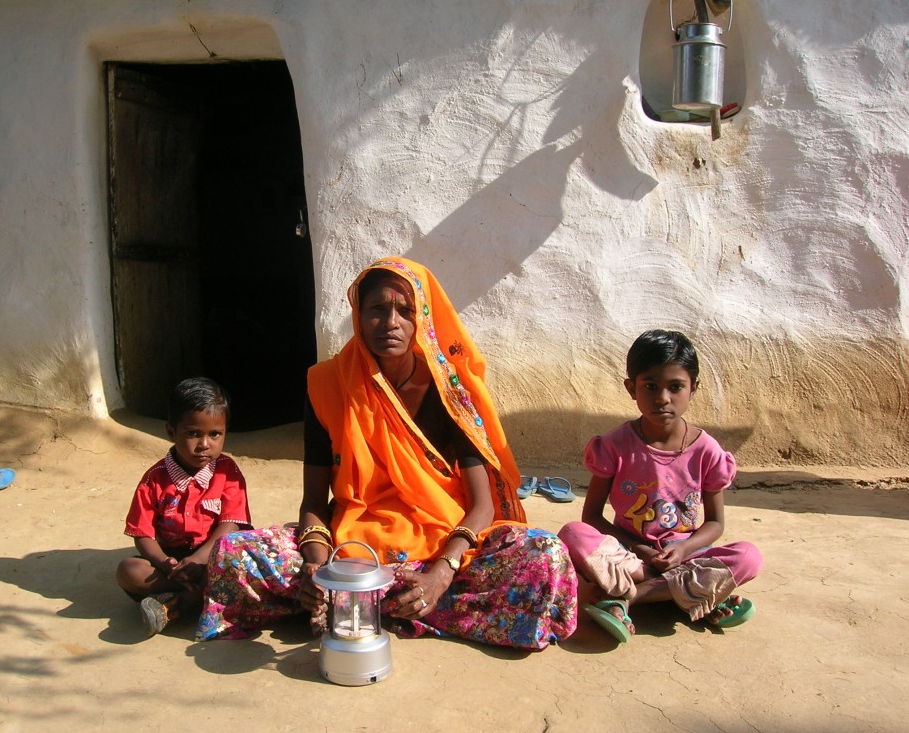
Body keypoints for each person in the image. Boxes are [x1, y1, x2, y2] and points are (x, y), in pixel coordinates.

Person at [197, 257, 577, 651]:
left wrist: (442, 573)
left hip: (443, 549)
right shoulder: (328, 384)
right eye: (377, 309)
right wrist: (318, 569)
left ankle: (376, 605)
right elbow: (314, 500)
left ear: (423, 320)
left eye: (405, 311)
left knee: (545, 555)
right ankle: (379, 602)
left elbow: (482, 507)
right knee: (235, 554)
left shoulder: (453, 393)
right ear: (358, 316)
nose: (391, 322)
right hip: (353, 553)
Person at [558, 329, 762, 644]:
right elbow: (592, 518)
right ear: (631, 388)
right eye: (650, 386)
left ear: (693, 388)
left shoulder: (707, 450)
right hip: (630, 552)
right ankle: (692, 594)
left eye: (675, 387)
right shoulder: (614, 445)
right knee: (571, 534)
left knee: (748, 556)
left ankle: (629, 598)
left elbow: (715, 523)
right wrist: (641, 549)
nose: (662, 398)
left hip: (688, 553)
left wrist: (683, 549)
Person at [116, 377, 252, 636]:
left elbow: (231, 524)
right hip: (171, 566)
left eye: (215, 434)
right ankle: (198, 596)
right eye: (192, 433)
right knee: (128, 571)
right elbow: (142, 534)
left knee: (239, 567)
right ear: (171, 431)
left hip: (214, 560)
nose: (204, 445)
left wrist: (199, 561)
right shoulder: (154, 479)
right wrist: (165, 563)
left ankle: (175, 604)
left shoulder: (228, 473)